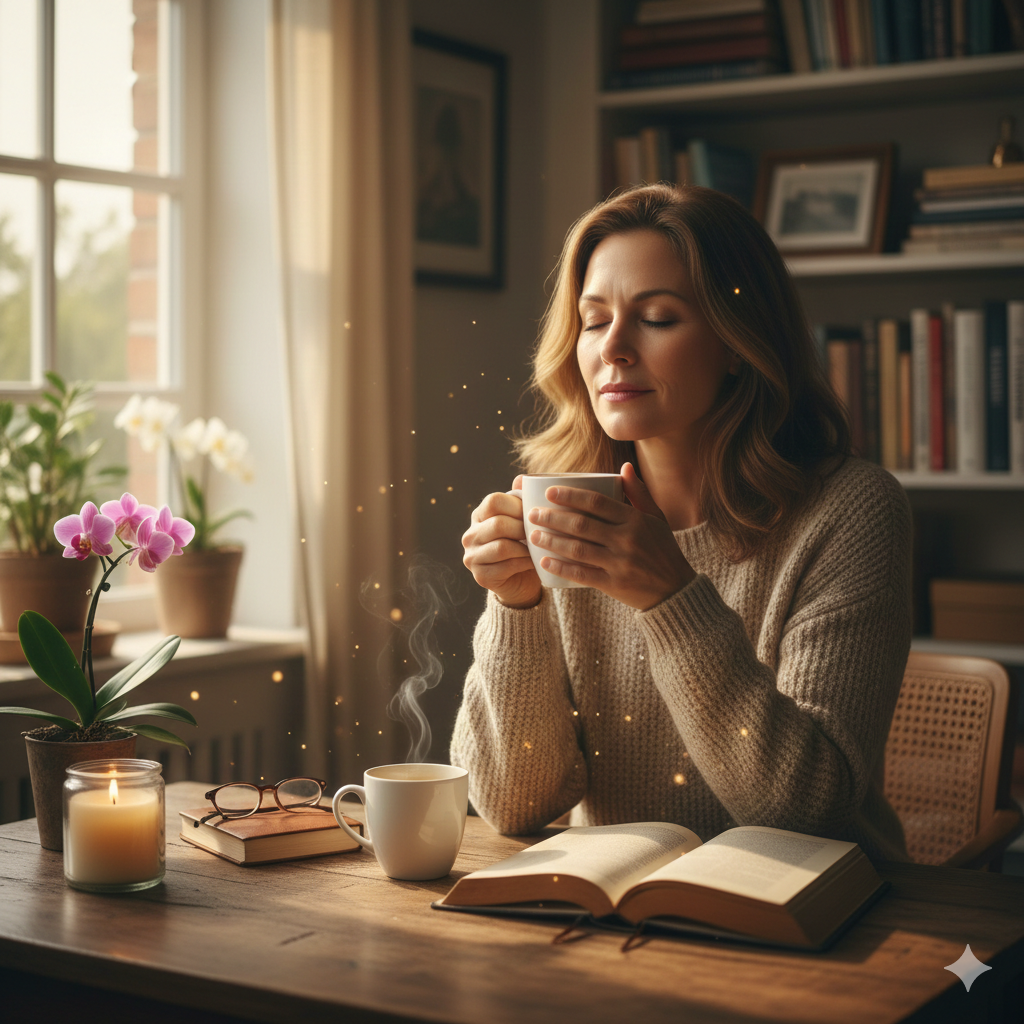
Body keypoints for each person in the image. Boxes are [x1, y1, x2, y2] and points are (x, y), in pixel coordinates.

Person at [452, 184, 911, 862]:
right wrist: (514, 607)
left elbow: (810, 812)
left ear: (737, 342)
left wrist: (670, 597)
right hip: (611, 914)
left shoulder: (850, 511)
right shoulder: (563, 509)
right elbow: (512, 804)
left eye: (658, 317)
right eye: (593, 319)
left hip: (814, 921)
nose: (614, 349)